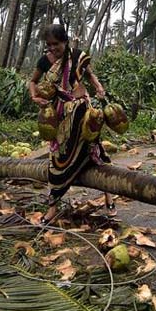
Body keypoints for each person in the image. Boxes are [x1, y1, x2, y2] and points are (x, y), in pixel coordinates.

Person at [28, 24, 112, 222]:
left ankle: (109, 197)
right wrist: (34, 97)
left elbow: (90, 75)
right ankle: (52, 207)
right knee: (57, 158)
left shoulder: (78, 56)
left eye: (55, 44)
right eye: (48, 45)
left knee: (95, 151)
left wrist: (99, 88)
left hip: (83, 113)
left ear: (65, 41)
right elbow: (33, 82)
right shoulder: (45, 61)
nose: (52, 48)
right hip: (61, 117)